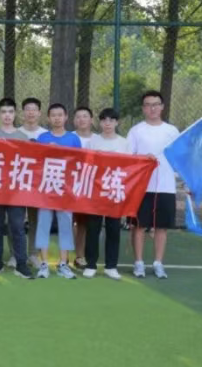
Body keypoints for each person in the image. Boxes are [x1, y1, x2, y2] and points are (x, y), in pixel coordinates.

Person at [127, 90, 180, 280]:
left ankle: (158, 263)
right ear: (143, 108)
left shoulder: (172, 131)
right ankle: (139, 263)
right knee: (139, 226)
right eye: (148, 105)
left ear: (162, 107)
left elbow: (180, 158)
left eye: (156, 104)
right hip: (142, 187)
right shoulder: (136, 131)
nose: (152, 108)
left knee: (161, 227)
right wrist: (144, 159)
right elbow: (128, 158)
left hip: (166, 186)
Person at [0, 98, 34, 279]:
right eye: (4, 112)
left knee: (17, 227)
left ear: (15, 114)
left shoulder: (23, 137)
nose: (7, 115)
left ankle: (21, 264)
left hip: (16, 190)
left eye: (10, 112)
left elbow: (30, 163)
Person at [34, 103, 82, 279]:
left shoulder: (73, 139)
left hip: (65, 190)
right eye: (53, 115)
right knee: (43, 224)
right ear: (48, 118)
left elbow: (79, 163)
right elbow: (37, 162)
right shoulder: (42, 138)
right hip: (46, 189)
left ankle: (63, 263)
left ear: (66, 117)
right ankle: (44, 263)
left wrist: (61, 152)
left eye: (60, 115)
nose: (57, 118)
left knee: (65, 225)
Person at [83, 108, 128, 280]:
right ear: (100, 122)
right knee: (93, 228)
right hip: (96, 191)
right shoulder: (93, 142)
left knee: (113, 229)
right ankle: (91, 264)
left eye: (111, 120)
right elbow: (87, 165)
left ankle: (111, 266)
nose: (108, 123)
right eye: (104, 120)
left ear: (117, 122)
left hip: (115, 191)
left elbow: (130, 167)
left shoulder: (124, 143)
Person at [19, 97, 46, 268]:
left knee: (36, 220)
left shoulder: (45, 135)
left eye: (34, 109)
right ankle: (16, 254)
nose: (30, 112)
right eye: (27, 109)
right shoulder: (16, 133)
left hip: (38, 185)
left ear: (39, 113)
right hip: (18, 183)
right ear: (23, 113)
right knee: (16, 220)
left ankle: (33, 254)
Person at [72, 106, 100, 268]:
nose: (81, 119)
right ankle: (66, 256)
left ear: (91, 119)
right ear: (74, 120)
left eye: (85, 116)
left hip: (91, 187)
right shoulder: (69, 137)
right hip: (71, 186)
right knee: (70, 221)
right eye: (78, 117)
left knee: (85, 223)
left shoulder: (98, 139)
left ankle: (82, 255)